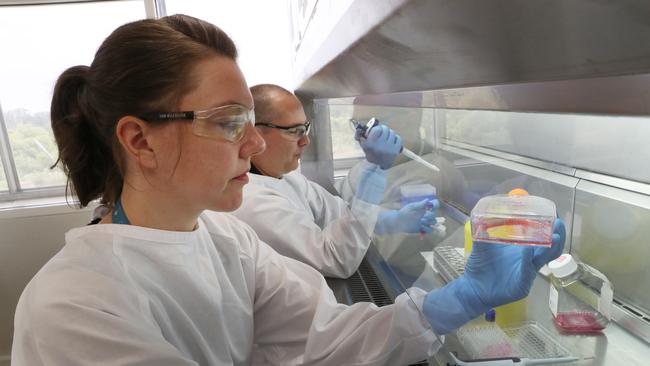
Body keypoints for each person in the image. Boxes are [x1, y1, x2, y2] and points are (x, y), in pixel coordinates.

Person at [11, 14, 566, 366]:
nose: (254, 145)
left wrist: (458, 301)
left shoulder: (229, 240)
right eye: (230, 121)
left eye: (252, 121)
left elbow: (327, 337)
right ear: (140, 140)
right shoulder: (74, 306)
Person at [232, 84, 440, 278]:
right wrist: (375, 170)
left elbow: (338, 212)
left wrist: (394, 220)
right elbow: (335, 260)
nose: (305, 141)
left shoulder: (287, 179)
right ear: (256, 135)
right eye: (294, 131)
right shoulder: (251, 202)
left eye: (305, 129)